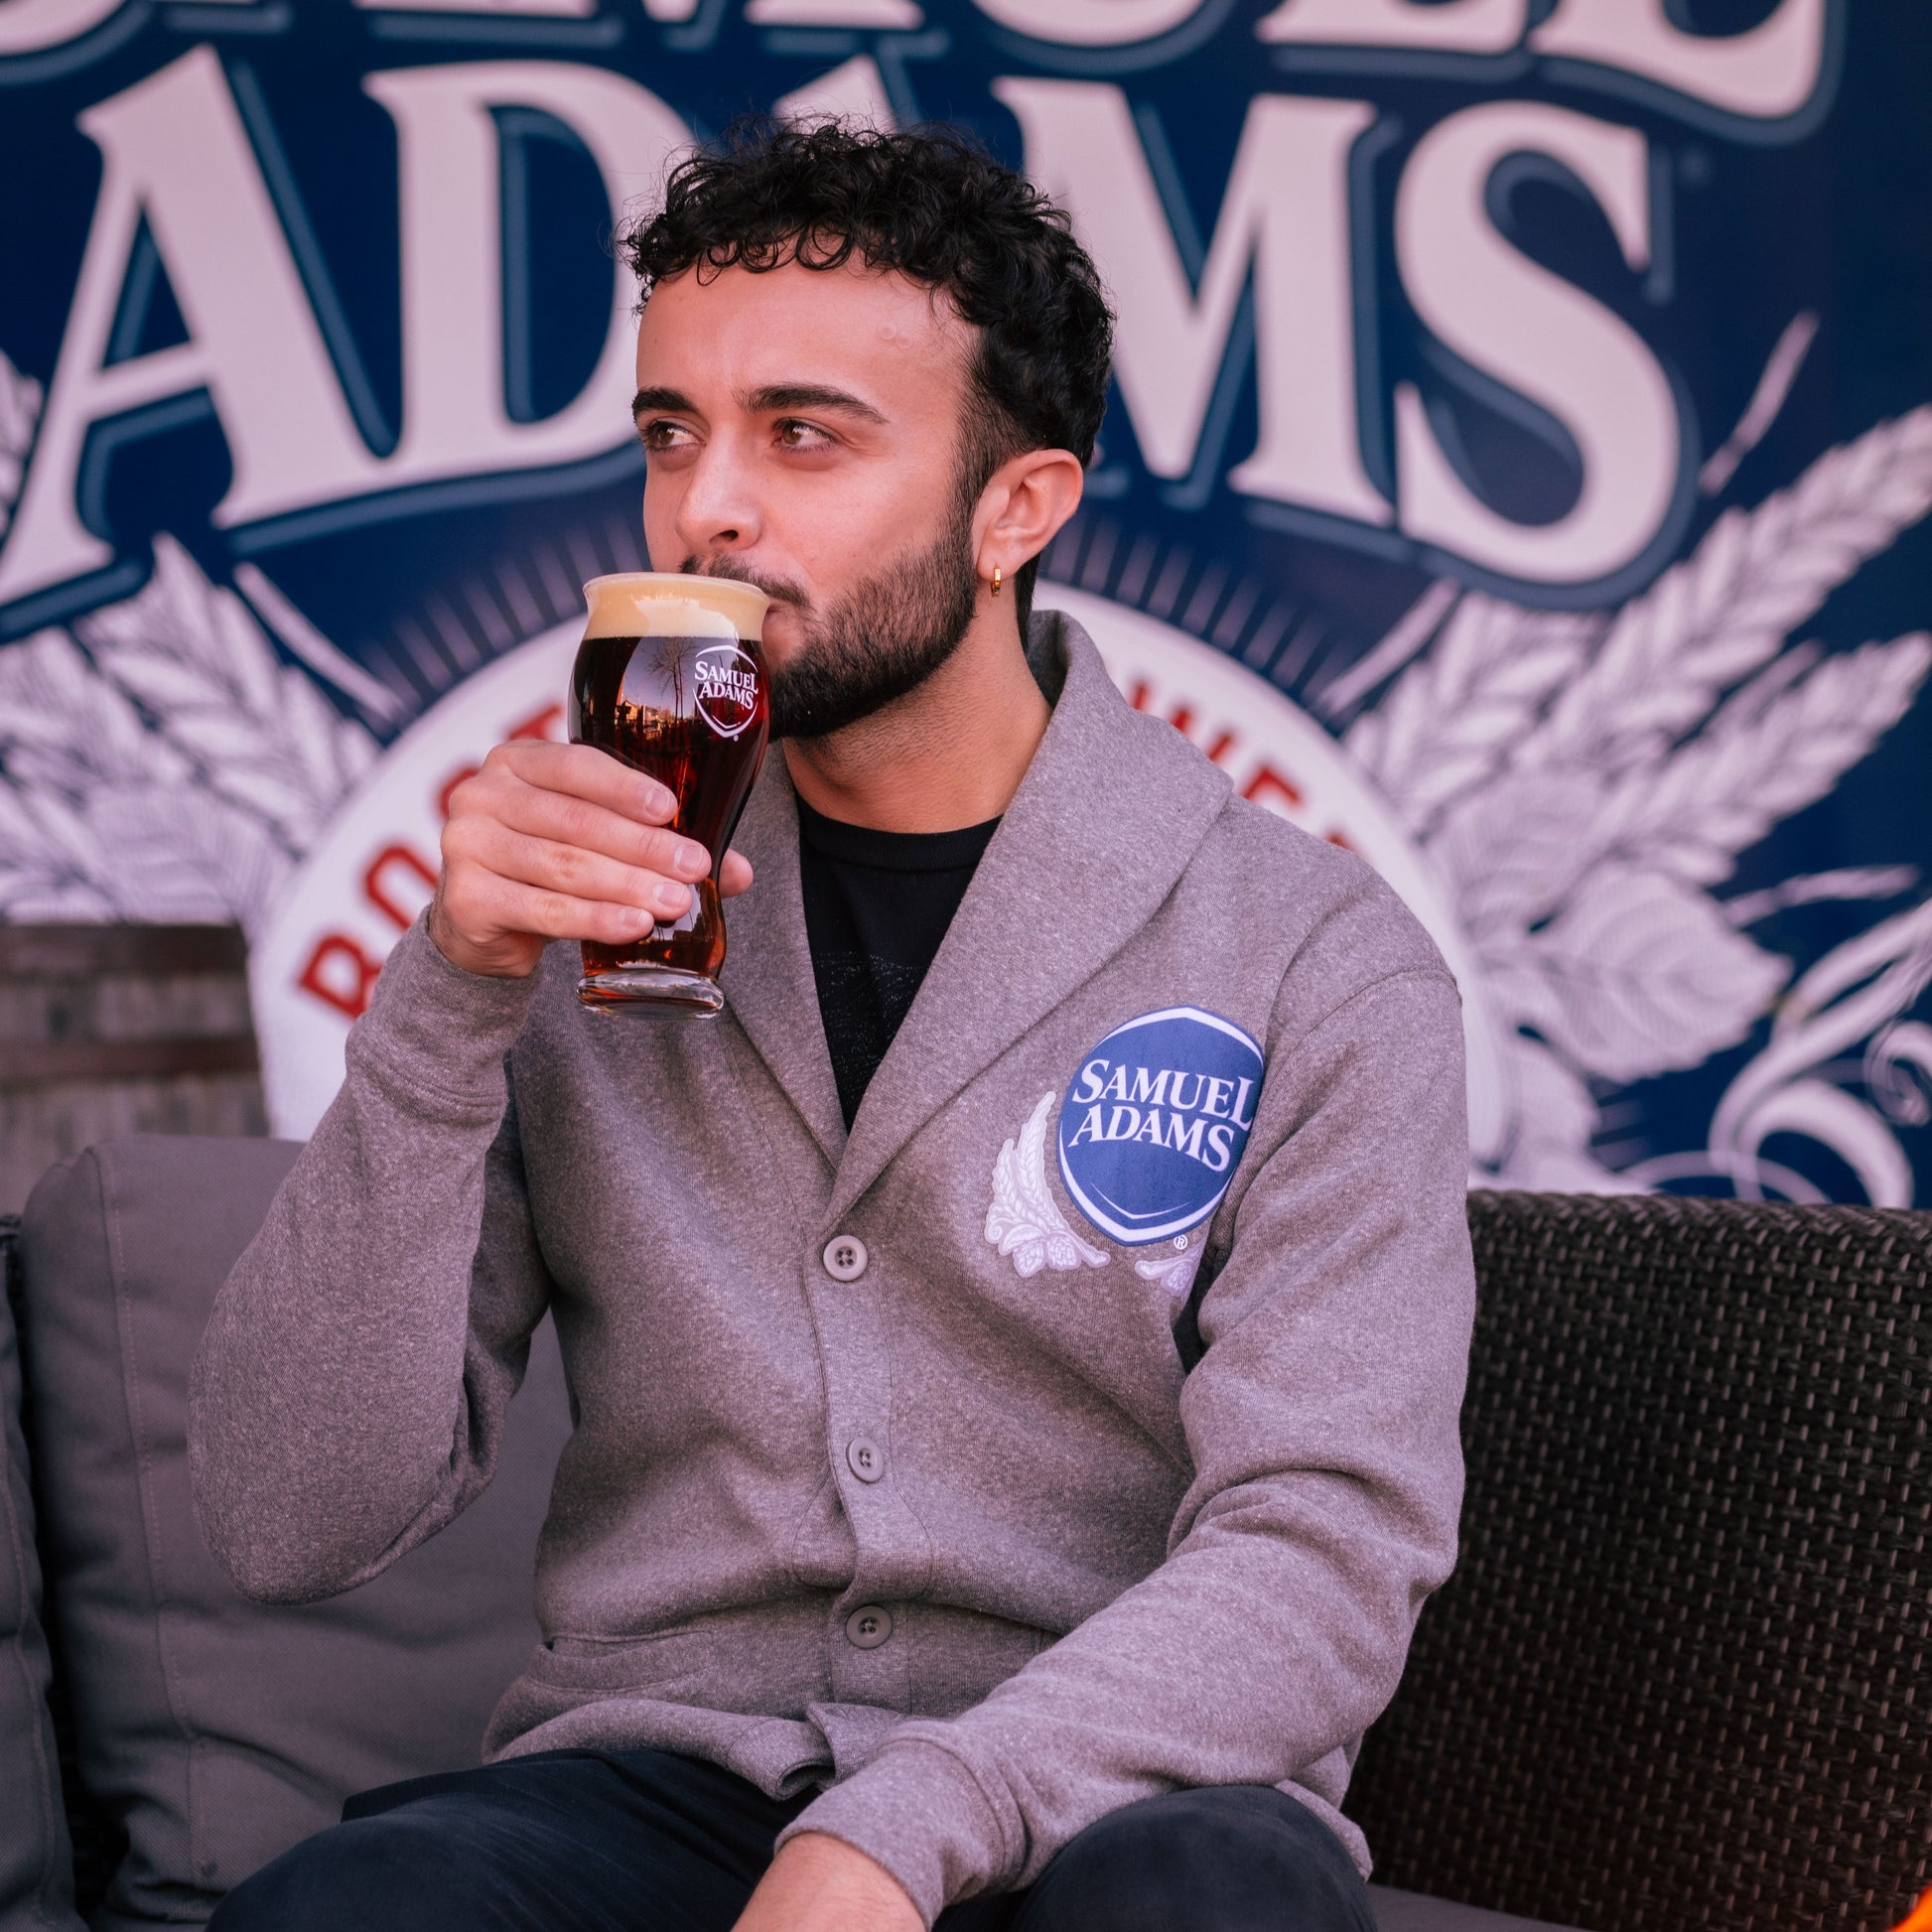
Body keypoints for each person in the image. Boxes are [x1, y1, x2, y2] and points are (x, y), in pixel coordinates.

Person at [191, 119, 1474, 1932]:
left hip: (1112, 1798)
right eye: (669, 432)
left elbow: (1323, 1559)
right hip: (663, 1772)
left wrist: (895, 1830)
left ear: (1015, 506)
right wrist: (451, 990)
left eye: (802, 435)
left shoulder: (1307, 956)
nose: (706, 504)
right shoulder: (579, 904)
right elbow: (283, 1514)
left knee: (1214, 1905)